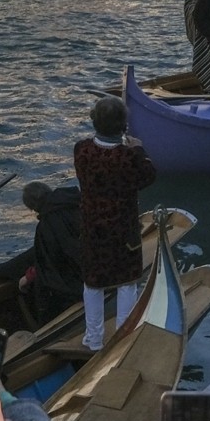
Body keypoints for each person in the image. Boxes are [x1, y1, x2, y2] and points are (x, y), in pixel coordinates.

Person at [72, 96, 157, 351]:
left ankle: (94, 339)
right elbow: (149, 176)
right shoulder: (129, 158)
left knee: (93, 283)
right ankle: (124, 336)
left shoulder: (81, 150)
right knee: (127, 281)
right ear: (123, 126)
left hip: (92, 228)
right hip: (123, 229)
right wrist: (138, 149)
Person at [15, 180, 86, 325]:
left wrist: (27, 279)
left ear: (33, 207)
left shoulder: (46, 226)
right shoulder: (76, 203)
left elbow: (50, 265)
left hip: (76, 284)